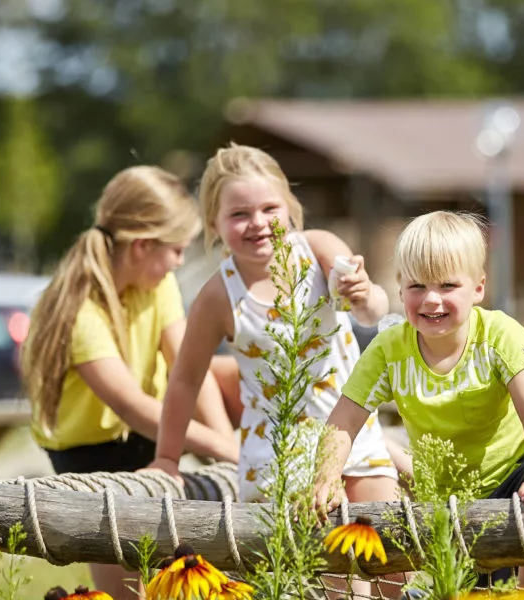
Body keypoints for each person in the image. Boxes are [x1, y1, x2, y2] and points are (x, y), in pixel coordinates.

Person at [317, 210, 524, 589]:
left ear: (478, 288)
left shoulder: (498, 334)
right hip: (446, 497)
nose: (432, 299)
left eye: (447, 285)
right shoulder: (390, 349)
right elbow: (345, 417)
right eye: (417, 286)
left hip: (514, 472)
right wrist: (325, 476)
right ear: (400, 288)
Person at [22, 165, 239, 600]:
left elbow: (190, 370)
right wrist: (229, 451)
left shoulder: (155, 287)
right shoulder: (80, 309)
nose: (181, 262)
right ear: (142, 245)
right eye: (176, 250)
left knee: (173, 576)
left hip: (147, 435)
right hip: (89, 457)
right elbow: (131, 406)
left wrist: (224, 445)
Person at [149, 142, 401, 510]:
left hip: (353, 433)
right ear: (213, 223)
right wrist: (168, 459)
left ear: (290, 210)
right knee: (317, 562)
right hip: (278, 455)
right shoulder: (218, 295)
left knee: (386, 555)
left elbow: (370, 312)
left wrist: (364, 294)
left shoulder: (319, 251)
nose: (258, 223)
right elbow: (186, 378)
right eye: (239, 214)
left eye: (270, 208)